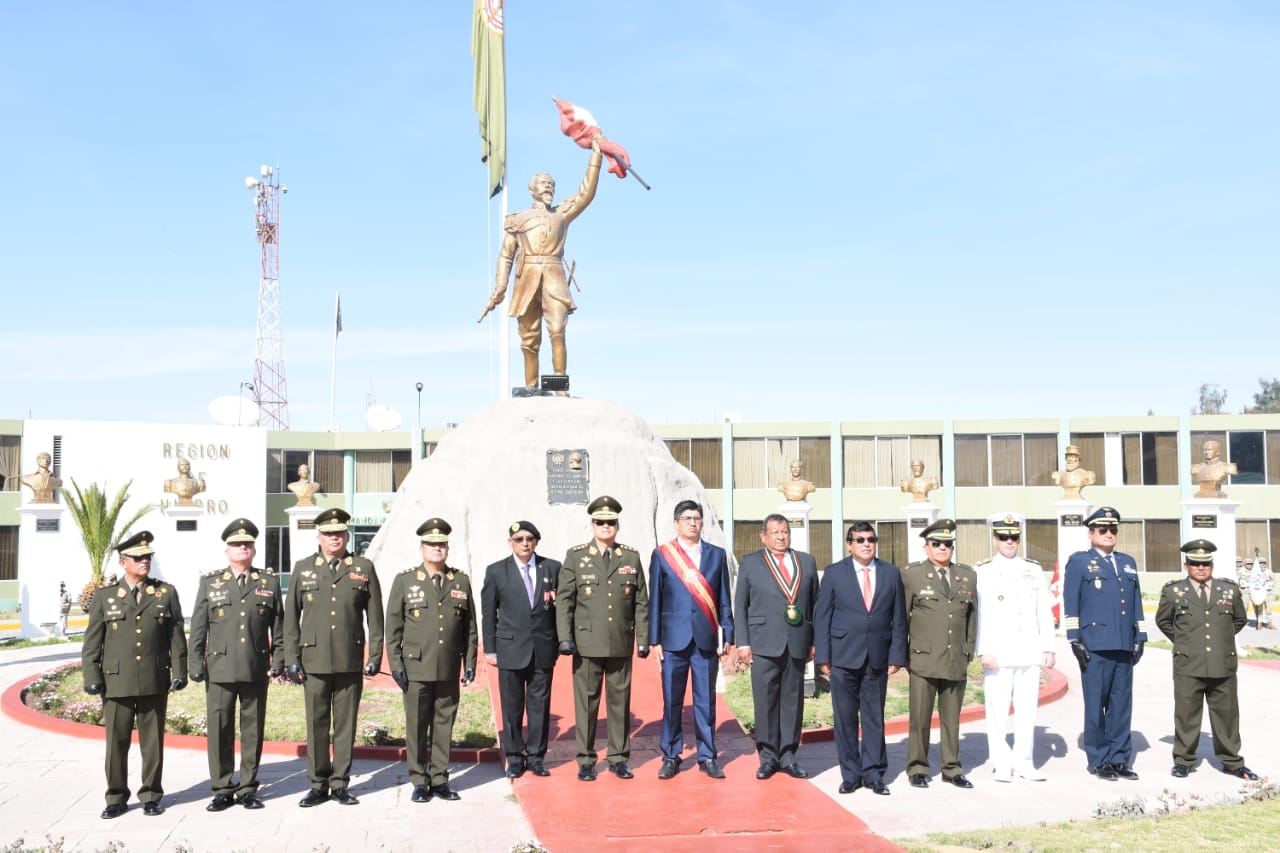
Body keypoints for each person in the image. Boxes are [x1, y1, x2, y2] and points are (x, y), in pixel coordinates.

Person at [481, 138, 603, 388]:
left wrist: (596, 157)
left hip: (554, 279)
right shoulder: (518, 219)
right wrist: (500, 287)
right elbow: (506, 255)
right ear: (531, 190)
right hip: (525, 279)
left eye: (551, 184)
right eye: (543, 184)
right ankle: (531, 388)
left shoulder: (562, 214)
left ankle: (558, 387)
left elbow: (586, 193)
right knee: (529, 338)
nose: (548, 187)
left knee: (557, 330)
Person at [81, 531, 187, 819]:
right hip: (116, 681)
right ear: (122, 562)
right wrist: (91, 676)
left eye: (148, 557)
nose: (145, 561)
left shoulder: (165, 593)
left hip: (154, 677)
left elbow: (176, 635)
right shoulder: (105, 597)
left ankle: (151, 795)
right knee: (116, 743)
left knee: (152, 742)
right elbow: (93, 641)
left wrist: (180, 670)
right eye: (138, 557)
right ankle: (116, 797)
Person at [283, 508, 384, 807]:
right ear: (319, 537)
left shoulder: (363, 567)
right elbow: (291, 619)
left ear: (347, 535)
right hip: (312, 660)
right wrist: (291, 657)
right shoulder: (303, 568)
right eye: (328, 534)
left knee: (345, 724)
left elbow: (375, 617)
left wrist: (375, 654)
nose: (334, 538)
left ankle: (340, 782)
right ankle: (318, 784)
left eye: (339, 533)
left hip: (349, 658)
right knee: (316, 724)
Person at [188, 519, 284, 811]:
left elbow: (278, 626)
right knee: (220, 729)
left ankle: (247, 788)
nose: (243, 548)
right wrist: (196, 663)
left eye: (247, 544)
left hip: (255, 667)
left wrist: (278, 659)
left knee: (252, 730)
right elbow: (199, 626)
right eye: (236, 544)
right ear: (227, 550)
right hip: (219, 668)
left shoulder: (268, 582)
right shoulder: (211, 582)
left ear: (254, 549)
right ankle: (221, 787)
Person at [556, 495, 649, 781]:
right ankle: (585, 759)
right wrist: (565, 637)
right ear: (592, 525)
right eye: (600, 522)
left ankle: (619, 758)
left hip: (620, 641)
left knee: (619, 703)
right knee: (586, 702)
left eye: (610, 522)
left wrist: (643, 639)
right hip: (586, 643)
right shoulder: (576, 556)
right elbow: (565, 600)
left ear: (617, 525)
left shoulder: (630, 557)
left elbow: (641, 601)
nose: (605, 527)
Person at [387, 518, 478, 803]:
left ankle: (439, 778)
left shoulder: (460, 580)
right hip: (416, 667)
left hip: (448, 665)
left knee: (444, 724)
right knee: (416, 725)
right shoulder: (405, 580)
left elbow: (470, 627)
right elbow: (393, 627)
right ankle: (419, 780)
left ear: (447, 548)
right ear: (422, 547)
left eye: (441, 544)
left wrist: (470, 662)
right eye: (431, 544)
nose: (437, 549)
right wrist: (396, 665)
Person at [814, 522, 906, 796]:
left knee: (874, 718)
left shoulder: (890, 573)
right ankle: (851, 775)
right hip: (843, 657)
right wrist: (824, 657)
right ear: (849, 544)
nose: (867, 544)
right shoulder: (834, 573)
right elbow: (823, 618)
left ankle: (874, 774)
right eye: (860, 539)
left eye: (871, 539)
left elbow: (898, 618)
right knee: (845, 719)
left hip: (877, 656)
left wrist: (897, 655)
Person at [647, 500, 734, 780]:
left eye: (696, 518)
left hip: (706, 638)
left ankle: (707, 755)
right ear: (676, 523)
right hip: (673, 640)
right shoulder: (662, 555)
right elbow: (656, 600)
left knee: (705, 701)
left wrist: (728, 634)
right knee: (672, 701)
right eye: (686, 518)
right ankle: (671, 755)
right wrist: (654, 639)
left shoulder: (716, 555)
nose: (692, 523)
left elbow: (723, 599)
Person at [1156, 540, 1257, 780]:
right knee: (1186, 714)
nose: (1201, 568)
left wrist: (1221, 641)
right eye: (1195, 563)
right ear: (1186, 565)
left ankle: (1232, 762)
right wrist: (1185, 642)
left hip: (1223, 663)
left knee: (1227, 715)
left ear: (1211, 565)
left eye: (1205, 563)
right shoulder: (1173, 592)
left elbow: (1239, 620)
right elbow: (1164, 622)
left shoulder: (1229, 590)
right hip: (1188, 664)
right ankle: (1183, 761)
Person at [1063, 506, 1146, 781]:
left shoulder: (1127, 562)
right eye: (1103, 530)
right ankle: (1099, 759)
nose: (1109, 534)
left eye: (1113, 530)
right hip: (1095, 645)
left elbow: (1136, 602)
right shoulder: (1079, 562)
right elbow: (1071, 602)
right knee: (1096, 705)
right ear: (1091, 533)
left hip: (1123, 643)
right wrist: (1075, 639)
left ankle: (1120, 758)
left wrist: (1140, 637)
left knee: (1121, 705)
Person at [734, 513, 820, 780]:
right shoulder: (751, 563)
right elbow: (741, 605)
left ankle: (789, 755)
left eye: (784, 531)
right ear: (763, 536)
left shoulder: (805, 561)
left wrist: (814, 641)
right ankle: (768, 757)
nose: (781, 536)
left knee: (792, 701)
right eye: (775, 532)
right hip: (762, 642)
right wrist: (743, 643)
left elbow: (815, 606)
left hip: (796, 642)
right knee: (766, 701)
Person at [974, 514, 1056, 782]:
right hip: (998, 652)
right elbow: (980, 614)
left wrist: (1048, 647)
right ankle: (1001, 762)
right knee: (997, 710)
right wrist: (983, 649)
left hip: (1028, 650)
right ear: (995, 539)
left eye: (1014, 537)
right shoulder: (982, 571)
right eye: (1004, 537)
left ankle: (1024, 762)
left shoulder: (1032, 569)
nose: (1010, 542)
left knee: (1027, 710)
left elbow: (1043, 610)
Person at [481, 520, 561, 779]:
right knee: (512, 706)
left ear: (536, 541)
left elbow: (561, 609)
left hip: (542, 649)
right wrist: (490, 650)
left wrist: (559, 642)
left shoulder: (552, 568)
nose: (524, 543)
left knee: (539, 705)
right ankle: (515, 757)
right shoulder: (496, 571)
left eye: (529, 538)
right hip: (509, 648)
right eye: (519, 539)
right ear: (510, 543)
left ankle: (537, 756)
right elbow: (488, 614)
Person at [901, 518, 977, 789]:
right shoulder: (912, 575)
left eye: (948, 544)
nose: (943, 548)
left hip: (955, 657)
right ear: (926, 547)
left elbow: (971, 616)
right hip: (923, 657)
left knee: (951, 719)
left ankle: (951, 768)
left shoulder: (966, 575)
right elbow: (901, 618)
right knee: (920, 718)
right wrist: (903, 655)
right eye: (937, 544)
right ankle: (918, 767)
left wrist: (968, 649)